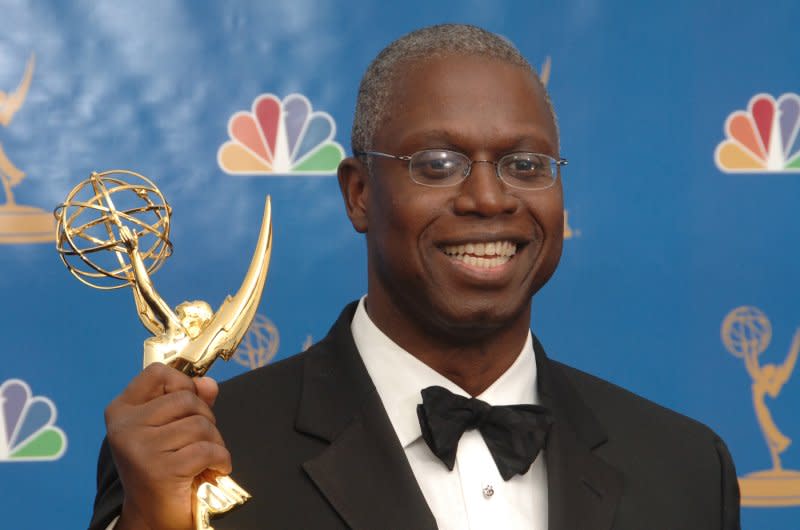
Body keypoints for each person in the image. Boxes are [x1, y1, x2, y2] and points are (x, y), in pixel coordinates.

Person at [89, 24, 741, 530]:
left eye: (523, 163)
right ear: (359, 194)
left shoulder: (683, 467)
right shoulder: (201, 454)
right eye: (437, 163)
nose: (489, 198)